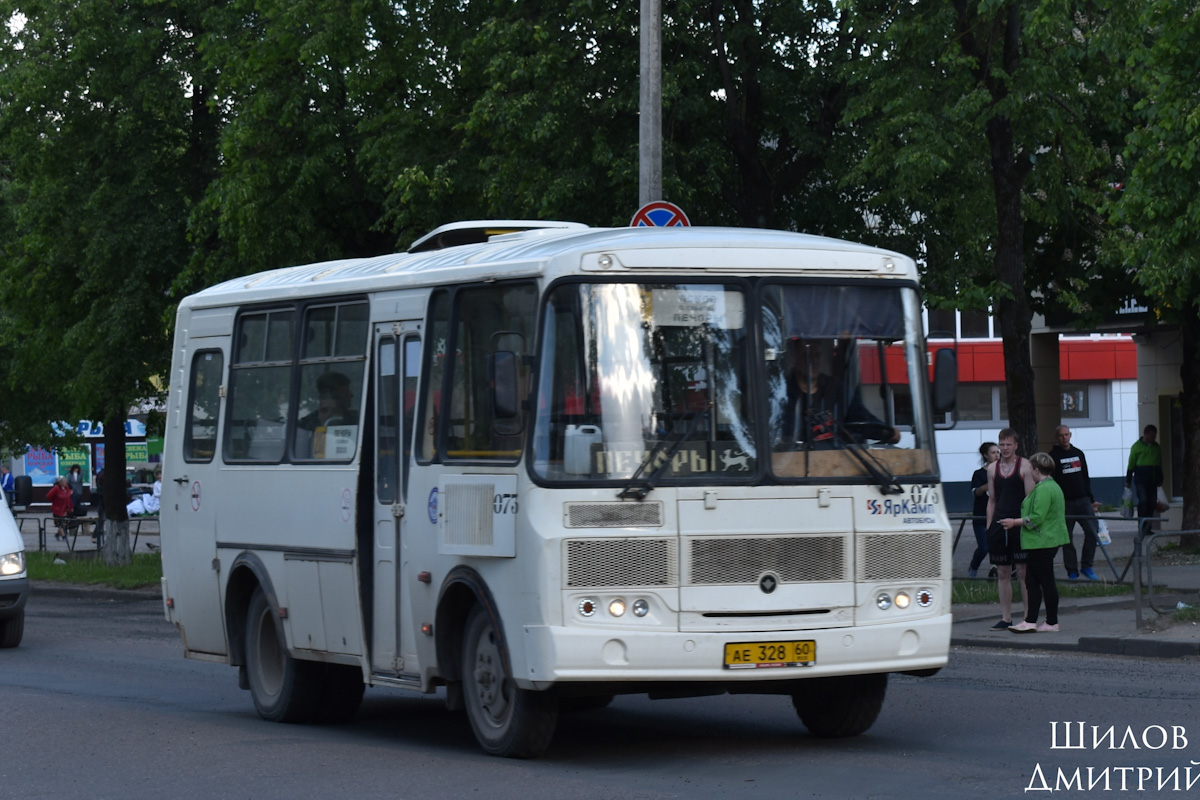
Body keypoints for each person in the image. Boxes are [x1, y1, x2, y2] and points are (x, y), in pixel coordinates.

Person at [781, 338, 900, 447]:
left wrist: (887, 432)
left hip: (840, 463)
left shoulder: (836, 389)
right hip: (797, 465)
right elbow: (783, 438)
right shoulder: (782, 393)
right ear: (793, 359)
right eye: (807, 355)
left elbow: (862, 418)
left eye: (817, 355)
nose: (813, 361)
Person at [1000, 452, 1070, 633]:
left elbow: (1036, 518)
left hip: (1042, 541)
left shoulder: (1044, 489)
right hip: (1044, 541)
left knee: (1044, 582)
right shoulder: (1052, 486)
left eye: (1030, 468)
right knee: (1033, 582)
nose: (1029, 471)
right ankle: (1032, 620)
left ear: (1037, 470)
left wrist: (1014, 522)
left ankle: (1050, 621)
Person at [985, 428, 1035, 629]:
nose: (1004, 448)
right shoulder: (992, 469)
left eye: (1008, 444)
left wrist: (1024, 523)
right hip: (999, 525)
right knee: (1002, 572)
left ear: (1016, 445)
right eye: (1001, 444)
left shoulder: (1025, 466)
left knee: (1023, 573)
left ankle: (1027, 617)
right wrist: (989, 527)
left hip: (1019, 526)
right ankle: (1006, 617)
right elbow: (992, 500)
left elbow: (1030, 500)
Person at [1049, 425, 1102, 581]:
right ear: (1057, 438)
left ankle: (1087, 566)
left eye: (1066, 434)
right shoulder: (1053, 456)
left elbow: (1085, 477)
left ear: (1070, 435)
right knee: (1066, 538)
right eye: (1061, 435)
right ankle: (1072, 570)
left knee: (1093, 532)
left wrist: (1091, 500)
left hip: (1083, 500)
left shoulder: (1078, 454)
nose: (1064, 438)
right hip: (1065, 503)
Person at [967, 442, 1000, 578]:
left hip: (998, 515)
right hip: (981, 516)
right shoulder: (979, 474)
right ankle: (973, 568)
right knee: (984, 547)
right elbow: (976, 492)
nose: (997, 455)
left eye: (998, 452)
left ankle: (997, 571)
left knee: (999, 546)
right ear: (985, 455)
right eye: (993, 452)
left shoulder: (1004, 472)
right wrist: (986, 486)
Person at [1125, 424, 1164, 527]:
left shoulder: (1156, 447)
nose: (1153, 438)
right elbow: (1131, 464)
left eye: (1154, 436)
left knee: (1151, 503)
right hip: (1141, 480)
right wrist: (1128, 480)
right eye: (1152, 436)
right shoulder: (1137, 447)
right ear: (1146, 434)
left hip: (1153, 479)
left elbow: (1159, 463)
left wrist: (1160, 477)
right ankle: (1142, 525)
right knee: (1143, 500)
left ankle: (1148, 527)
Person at [46, 476, 74, 540]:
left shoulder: (67, 488)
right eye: (64, 481)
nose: (65, 482)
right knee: (60, 523)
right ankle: (64, 536)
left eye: (65, 481)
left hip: (65, 509)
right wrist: (55, 500)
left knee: (64, 523)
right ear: (60, 482)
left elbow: (69, 498)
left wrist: (71, 507)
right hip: (57, 509)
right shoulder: (56, 488)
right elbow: (49, 496)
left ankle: (57, 534)